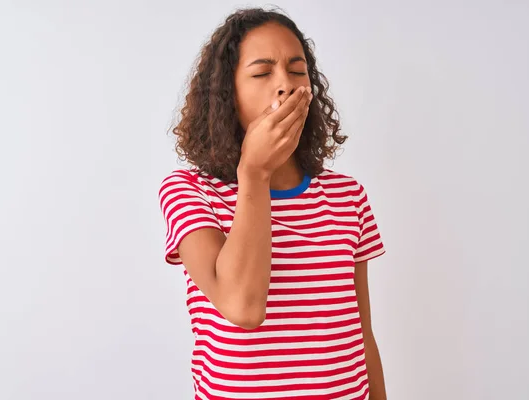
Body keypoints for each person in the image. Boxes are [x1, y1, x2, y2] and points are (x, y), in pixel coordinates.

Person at [159, 7, 387, 400]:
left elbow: (361, 335)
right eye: (262, 72)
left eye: (297, 71)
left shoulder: (348, 196)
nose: (284, 85)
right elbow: (243, 307)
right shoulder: (189, 191)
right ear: (228, 94)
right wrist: (254, 172)